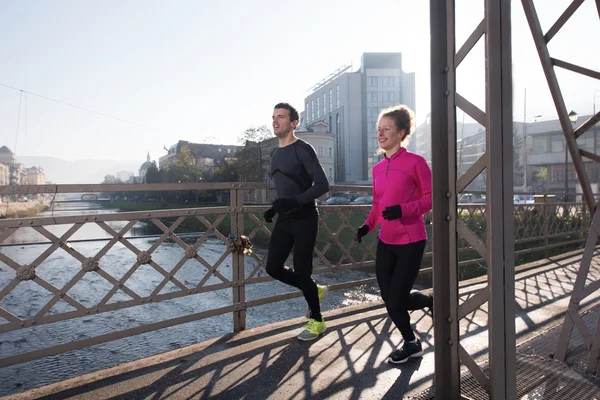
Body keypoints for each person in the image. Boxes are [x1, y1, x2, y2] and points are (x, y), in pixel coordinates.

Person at [355, 104, 433, 364]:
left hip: (411, 240)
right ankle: (415, 335)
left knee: (397, 298)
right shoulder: (377, 169)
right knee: (390, 298)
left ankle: (422, 317)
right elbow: (378, 206)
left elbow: (430, 199)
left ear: (401, 132)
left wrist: (403, 210)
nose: (381, 133)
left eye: (387, 128)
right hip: (385, 241)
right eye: (379, 129)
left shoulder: (416, 163)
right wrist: (367, 226)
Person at [264, 102, 330, 341]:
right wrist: (274, 208)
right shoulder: (274, 153)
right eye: (273, 116)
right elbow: (284, 188)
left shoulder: (303, 149)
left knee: (302, 272)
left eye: (280, 117)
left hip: (304, 219)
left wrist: (292, 202)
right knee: (272, 267)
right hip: (284, 219)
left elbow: (322, 185)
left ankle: (317, 321)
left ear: (294, 123)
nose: (275, 121)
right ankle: (313, 288)